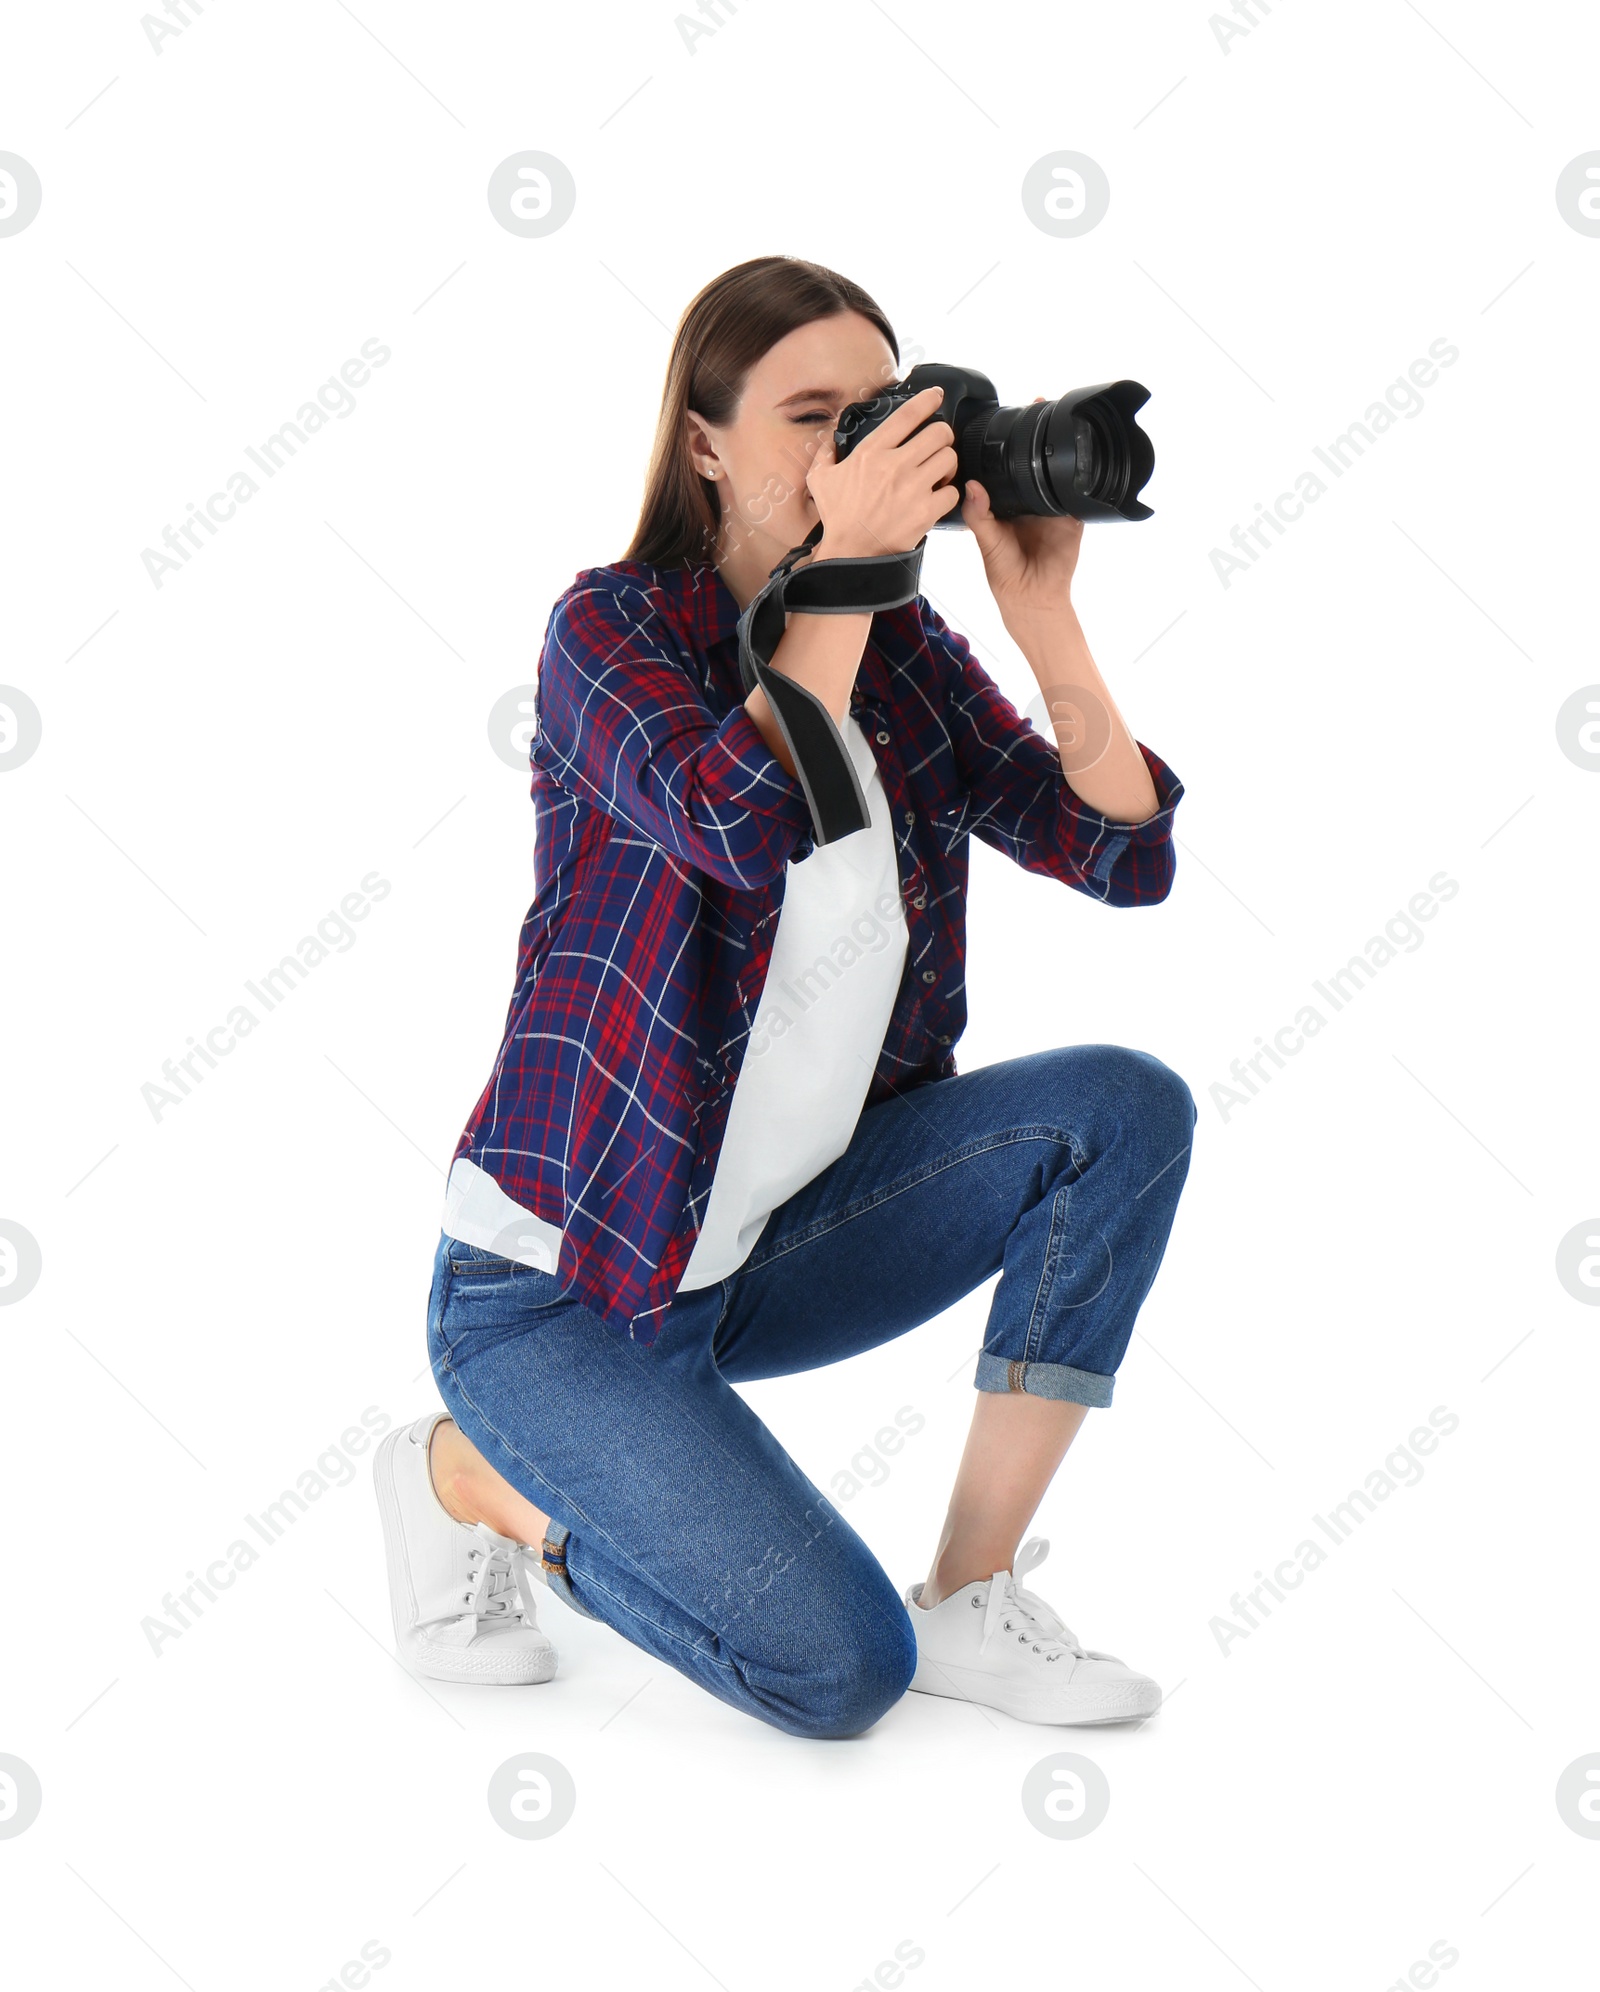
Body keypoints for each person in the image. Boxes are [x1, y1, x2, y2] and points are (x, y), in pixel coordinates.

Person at [372, 255, 1195, 1739]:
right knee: (834, 1674)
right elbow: (734, 817)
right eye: (814, 416)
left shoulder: (907, 660)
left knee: (1122, 1111)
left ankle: (973, 1592)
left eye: (870, 413)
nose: (851, 450)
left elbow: (1119, 854)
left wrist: (1041, 612)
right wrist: (849, 570)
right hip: (564, 1292)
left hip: (760, 1246)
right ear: (703, 440)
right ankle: (477, 1481)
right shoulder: (609, 635)